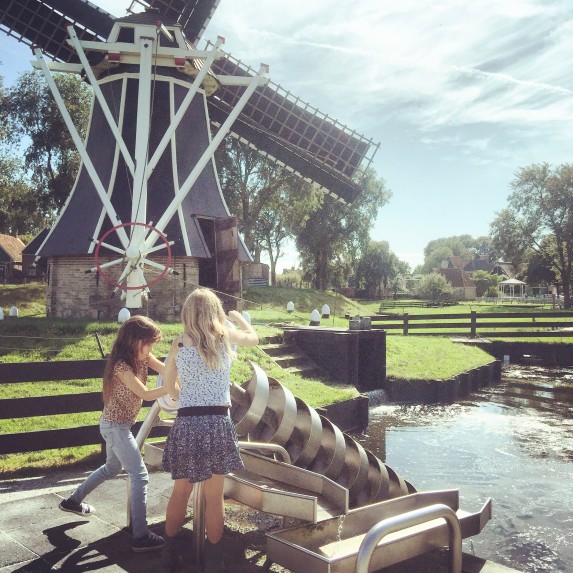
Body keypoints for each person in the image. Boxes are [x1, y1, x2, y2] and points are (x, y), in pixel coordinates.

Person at [159, 289, 259, 573]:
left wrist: (188, 394)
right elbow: (254, 338)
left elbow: (169, 389)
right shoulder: (225, 336)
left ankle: (167, 556)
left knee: (181, 491)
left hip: (187, 423)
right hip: (217, 422)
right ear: (215, 311)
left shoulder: (178, 344)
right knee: (214, 496)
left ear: (187, 313)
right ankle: (215, 561)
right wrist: (238, 318)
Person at [58, 315, 171, 553]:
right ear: (134, 341)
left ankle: (73, 501)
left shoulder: (144, 357)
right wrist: (171, 388)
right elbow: (147, 394)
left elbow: (167, 369)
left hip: (116, 425)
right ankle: (140, 536)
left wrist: (181, 372)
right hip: (115, 427)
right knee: (140, 475)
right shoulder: (121, 367)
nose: (151, 349)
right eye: (148, 343)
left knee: (112, 468)